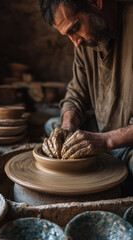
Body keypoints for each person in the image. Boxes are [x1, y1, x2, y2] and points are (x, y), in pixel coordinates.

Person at [39, 0, 133, 178]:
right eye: (68, 34)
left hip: (127, 144)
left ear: (96, 3)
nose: (75, 42)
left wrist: (106, 141)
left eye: (75, 28)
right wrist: (67, 128)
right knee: (53, 128)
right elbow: (76, 93)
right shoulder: (87, 42)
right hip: (102, 133)